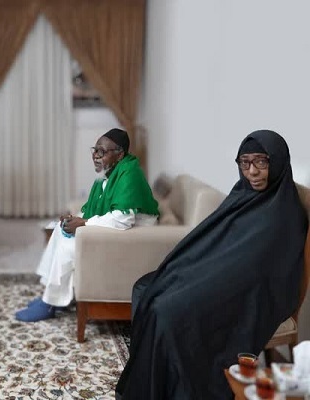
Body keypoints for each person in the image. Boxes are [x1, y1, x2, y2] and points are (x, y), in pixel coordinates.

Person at [115, 130, 308, 399]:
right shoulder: (242, 194)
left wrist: (204, 280)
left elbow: (263, 270)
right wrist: (193, 270)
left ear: (277, 162)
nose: (252, 171)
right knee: (146, 288)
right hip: (217, 274)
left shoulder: (285, 213)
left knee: (167, 311)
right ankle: (155, 383)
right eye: (245, 163)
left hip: (246, 292)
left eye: (261, 162)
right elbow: (215, 241)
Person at [15, 128, 159, 322]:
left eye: (102, 151)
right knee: (59, 229)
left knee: (68, 247)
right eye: (95, 150)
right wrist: (76, 218)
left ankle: (50, 304)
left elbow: (123, 219)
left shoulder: (129, 174)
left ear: (120, 154)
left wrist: (83, 223)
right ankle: (50, 295)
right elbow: (100, 209)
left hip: (130, 236)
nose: (96, 155)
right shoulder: (109, 172)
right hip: (119, 228)